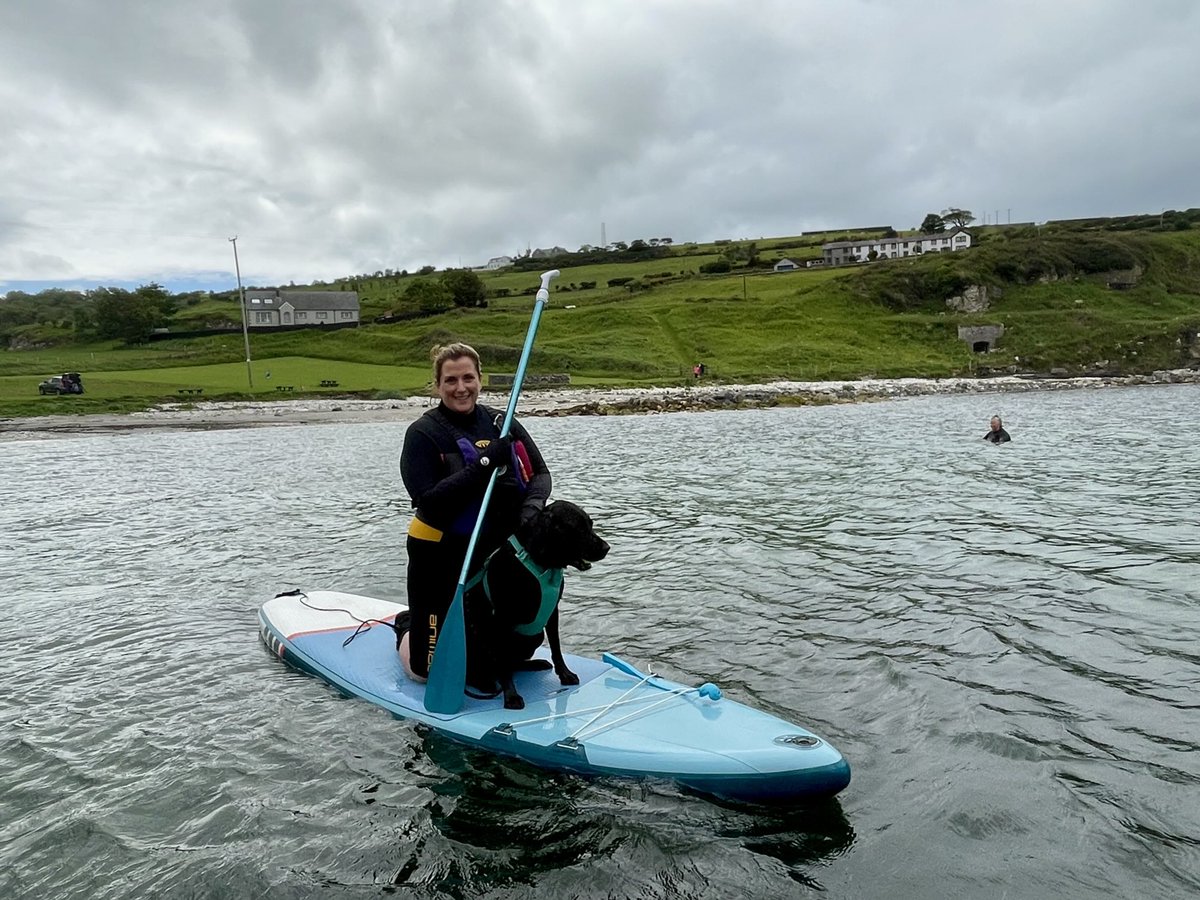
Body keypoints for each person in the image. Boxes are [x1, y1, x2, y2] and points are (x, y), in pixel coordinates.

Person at [398, 342, 552, 683]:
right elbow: (428, 500)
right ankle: (407, 626)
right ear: (438, 385)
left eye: (468, 378)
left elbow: (541, 474)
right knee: (426, 670)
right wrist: (484, 464)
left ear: (480, 379)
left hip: (493, 549)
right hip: (439, 551)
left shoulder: (502, 422)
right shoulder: (423, 433)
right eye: (450, 380)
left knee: (520, 648)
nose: (461, 388)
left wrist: (530, 510)